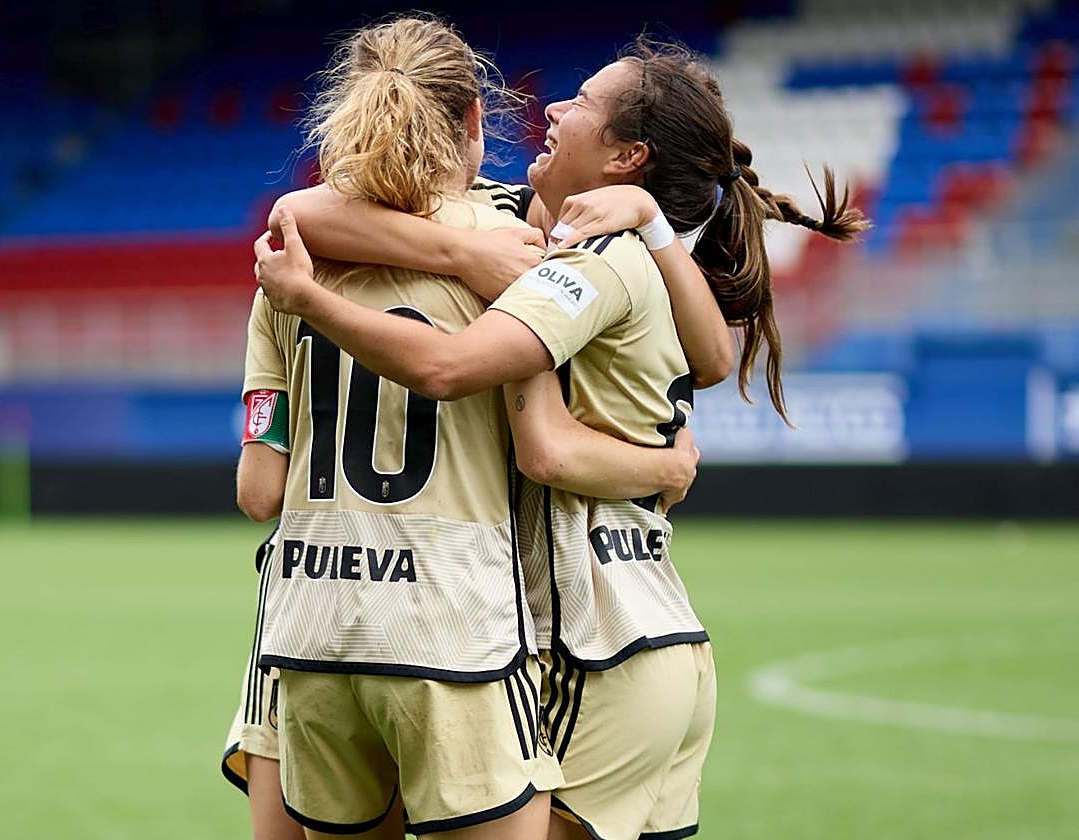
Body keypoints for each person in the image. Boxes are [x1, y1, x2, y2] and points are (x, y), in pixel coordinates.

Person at [256, 36, 867, 840]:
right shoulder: (542, 235)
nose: (550, 107)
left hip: (593, 641)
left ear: (627, 156)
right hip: (640, 631)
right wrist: (477, 246)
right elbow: (715, 356)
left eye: (580, 103)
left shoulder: (592, 262)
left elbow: (524, 430)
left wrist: (321, 298)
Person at [236, 18, 705, 840]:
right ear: (475, 124)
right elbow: (532, 428)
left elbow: (258, 490)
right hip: (460, 625)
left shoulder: (288, 263)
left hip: (308, 620)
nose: (555, 108)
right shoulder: (520, 248)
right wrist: (661, 467)